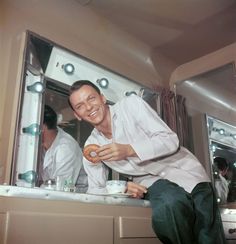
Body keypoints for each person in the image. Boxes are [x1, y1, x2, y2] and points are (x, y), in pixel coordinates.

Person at [68, 80, 226, 244]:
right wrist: (122, 188)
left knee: (209, 238)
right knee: (168, 206)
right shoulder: (91, 147)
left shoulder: (130, 105)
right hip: (153, 184)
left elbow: (170, 140)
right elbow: (94, 189)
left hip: (187, 173)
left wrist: (129, 149)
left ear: (102, 98)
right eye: (80, 106)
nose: (88, 107)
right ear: (77, 115)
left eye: (91, 98)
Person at [40, 105, 88, 192]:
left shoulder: (66, 148)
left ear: (42, 127)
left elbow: (60, 188)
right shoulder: (40, 145)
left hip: (75, 201)